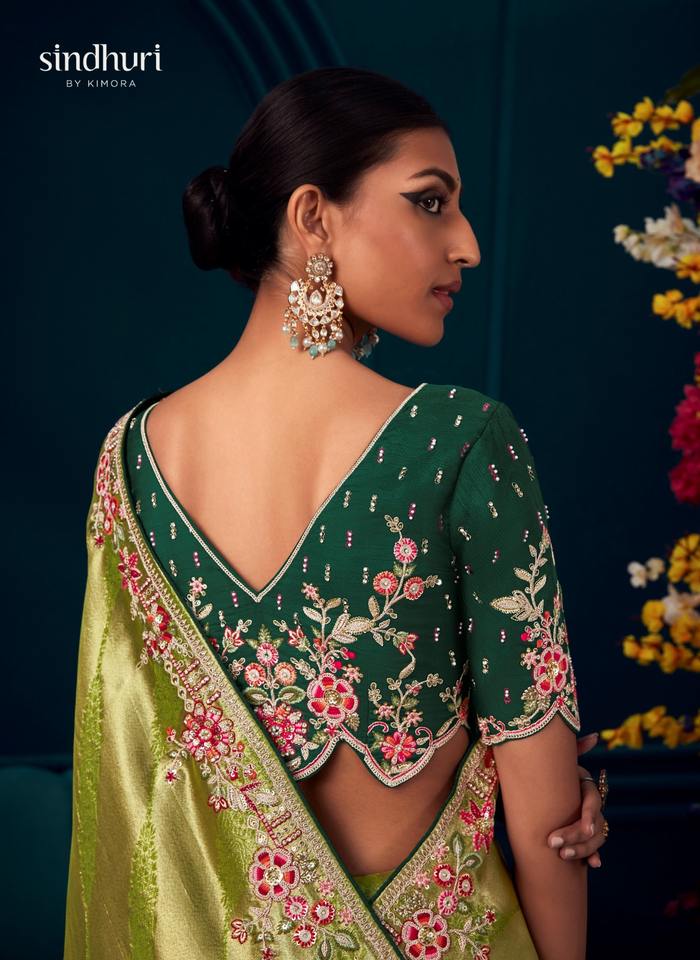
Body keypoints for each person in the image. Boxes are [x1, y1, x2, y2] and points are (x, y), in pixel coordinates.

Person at [63, 67, 608, 960]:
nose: (469, 245)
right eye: (430, 203)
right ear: (313, 217)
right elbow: (550, 818)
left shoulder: (131, 459)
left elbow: (128, 807)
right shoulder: (463, 441)